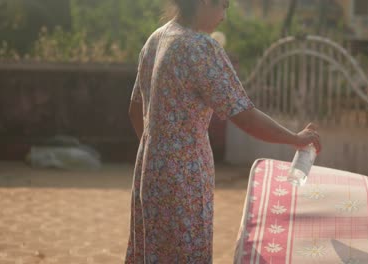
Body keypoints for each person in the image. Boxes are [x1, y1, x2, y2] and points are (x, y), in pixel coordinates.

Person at [125, 0, 321, 263]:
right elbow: (244, 115)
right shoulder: (200, 46)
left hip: (149, 172)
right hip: (185, 178)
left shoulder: (156, 38)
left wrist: (158, 151)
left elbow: (135, 109)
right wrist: (295, 139)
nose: (224, 16)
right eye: (224, 5)